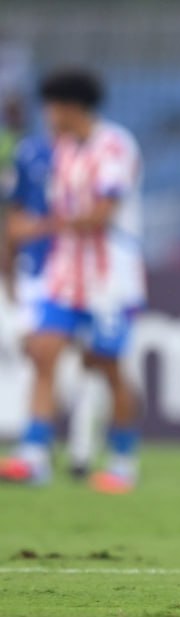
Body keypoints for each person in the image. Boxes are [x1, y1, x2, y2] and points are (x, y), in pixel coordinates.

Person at [0, 68, 146, 494]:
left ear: (69, 107)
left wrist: (39, 227)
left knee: (105, 365)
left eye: (51, 106)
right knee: (43, 350)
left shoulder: (114, 145)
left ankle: (122, 460)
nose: (47, 115)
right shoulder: (61, 150)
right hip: (65, 273)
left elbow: (103, 213)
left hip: (109, 278)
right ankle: (34, 455)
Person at [3, 123, 102, 479]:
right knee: (42, 357)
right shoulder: (30, 154)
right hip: (39, 273)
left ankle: (80, 449)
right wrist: (10, 270)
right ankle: (37, 451)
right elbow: (13, 222)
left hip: (87, 276)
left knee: (89, 364)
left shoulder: (100, 153)